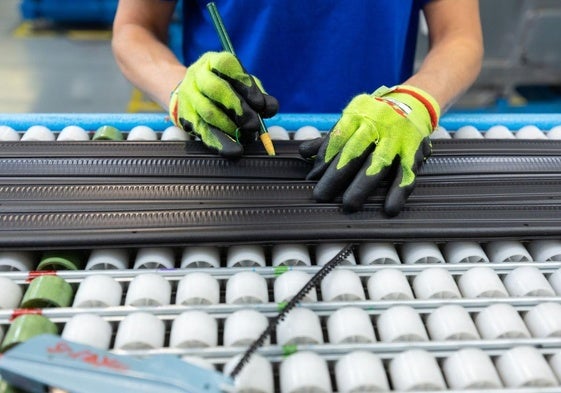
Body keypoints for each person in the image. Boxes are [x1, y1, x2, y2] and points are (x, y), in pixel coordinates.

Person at [112, 0, 483, 216]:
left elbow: (459, 36)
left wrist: (414, 101)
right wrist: (179, 87)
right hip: (227, 153)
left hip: (374, 152)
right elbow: (134, 28)